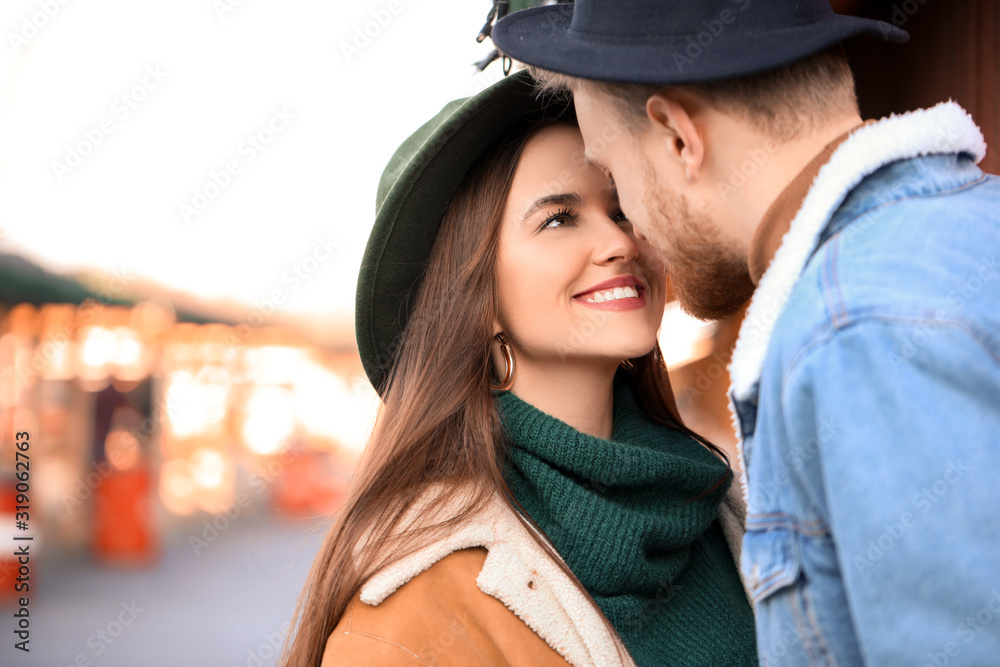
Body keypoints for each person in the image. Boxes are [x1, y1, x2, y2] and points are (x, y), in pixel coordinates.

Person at [491, 1, 1000, 664]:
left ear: (679, 138)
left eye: (616, 179)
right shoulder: (966, 230)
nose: (630, 232)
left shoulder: (854, 335)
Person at [281, 71, 758, 666]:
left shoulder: (726, 507)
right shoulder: (408, 614)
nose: (620, 242)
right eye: (559, 218)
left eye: (622, 207)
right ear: (477, 303)